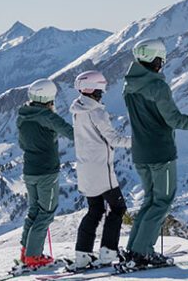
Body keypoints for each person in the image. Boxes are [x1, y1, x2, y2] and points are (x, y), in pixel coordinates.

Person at [120, 38, 188, 269]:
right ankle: (142, 252)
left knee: (150, 201)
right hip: (161, 151)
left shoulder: (128, 86)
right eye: (161, 59)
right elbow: (173, 119)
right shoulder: (157, 87)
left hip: (140, 153)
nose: (162, 64)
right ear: (155, 60)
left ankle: (134, 249)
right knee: (162, 201)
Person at [67, 70, 131, 269]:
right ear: (94, 89)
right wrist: (139, 142)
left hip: (85, 168)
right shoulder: (97, 112)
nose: (102, 93)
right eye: (101, 90)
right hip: (101, 169)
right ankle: (107, 252)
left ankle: (83, 254)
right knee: (118, 208)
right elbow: (113, 138)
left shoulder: (78, 110)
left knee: (94, 210)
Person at [16, 78, 74, 270]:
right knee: (46, 213)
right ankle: (34, 256)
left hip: (29, 170)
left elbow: (22, 144)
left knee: (33, 211)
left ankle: (26, 253)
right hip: (46, 172)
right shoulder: (47, 116)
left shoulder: (22, 116)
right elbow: (70, 132)